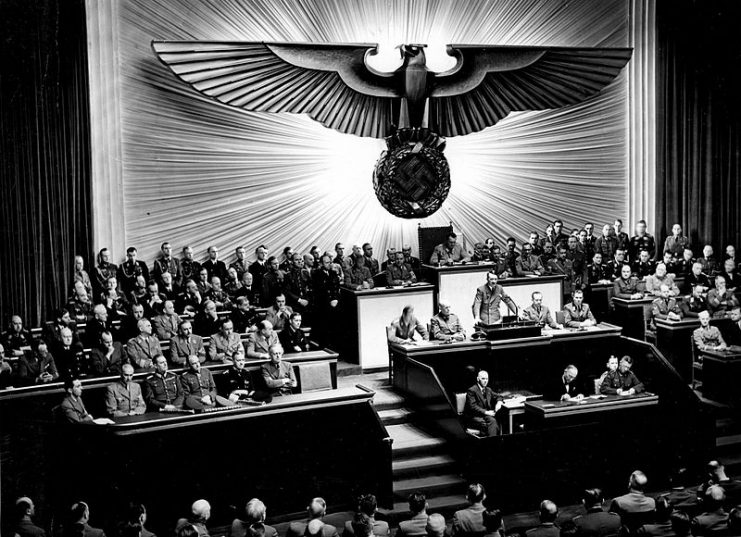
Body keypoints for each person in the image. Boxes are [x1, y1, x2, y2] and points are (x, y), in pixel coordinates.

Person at [464, 370, 502, 437]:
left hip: (484, 416)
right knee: (492, 424)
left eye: (487, 379)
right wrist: (486, 412)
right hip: (474, 417)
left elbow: (499, 396)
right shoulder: (472, 390)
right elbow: (472, 406)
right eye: (483, 378)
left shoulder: (488, 390)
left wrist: (499, 402)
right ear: (478, 379)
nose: (485, 381)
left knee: (493, 421)